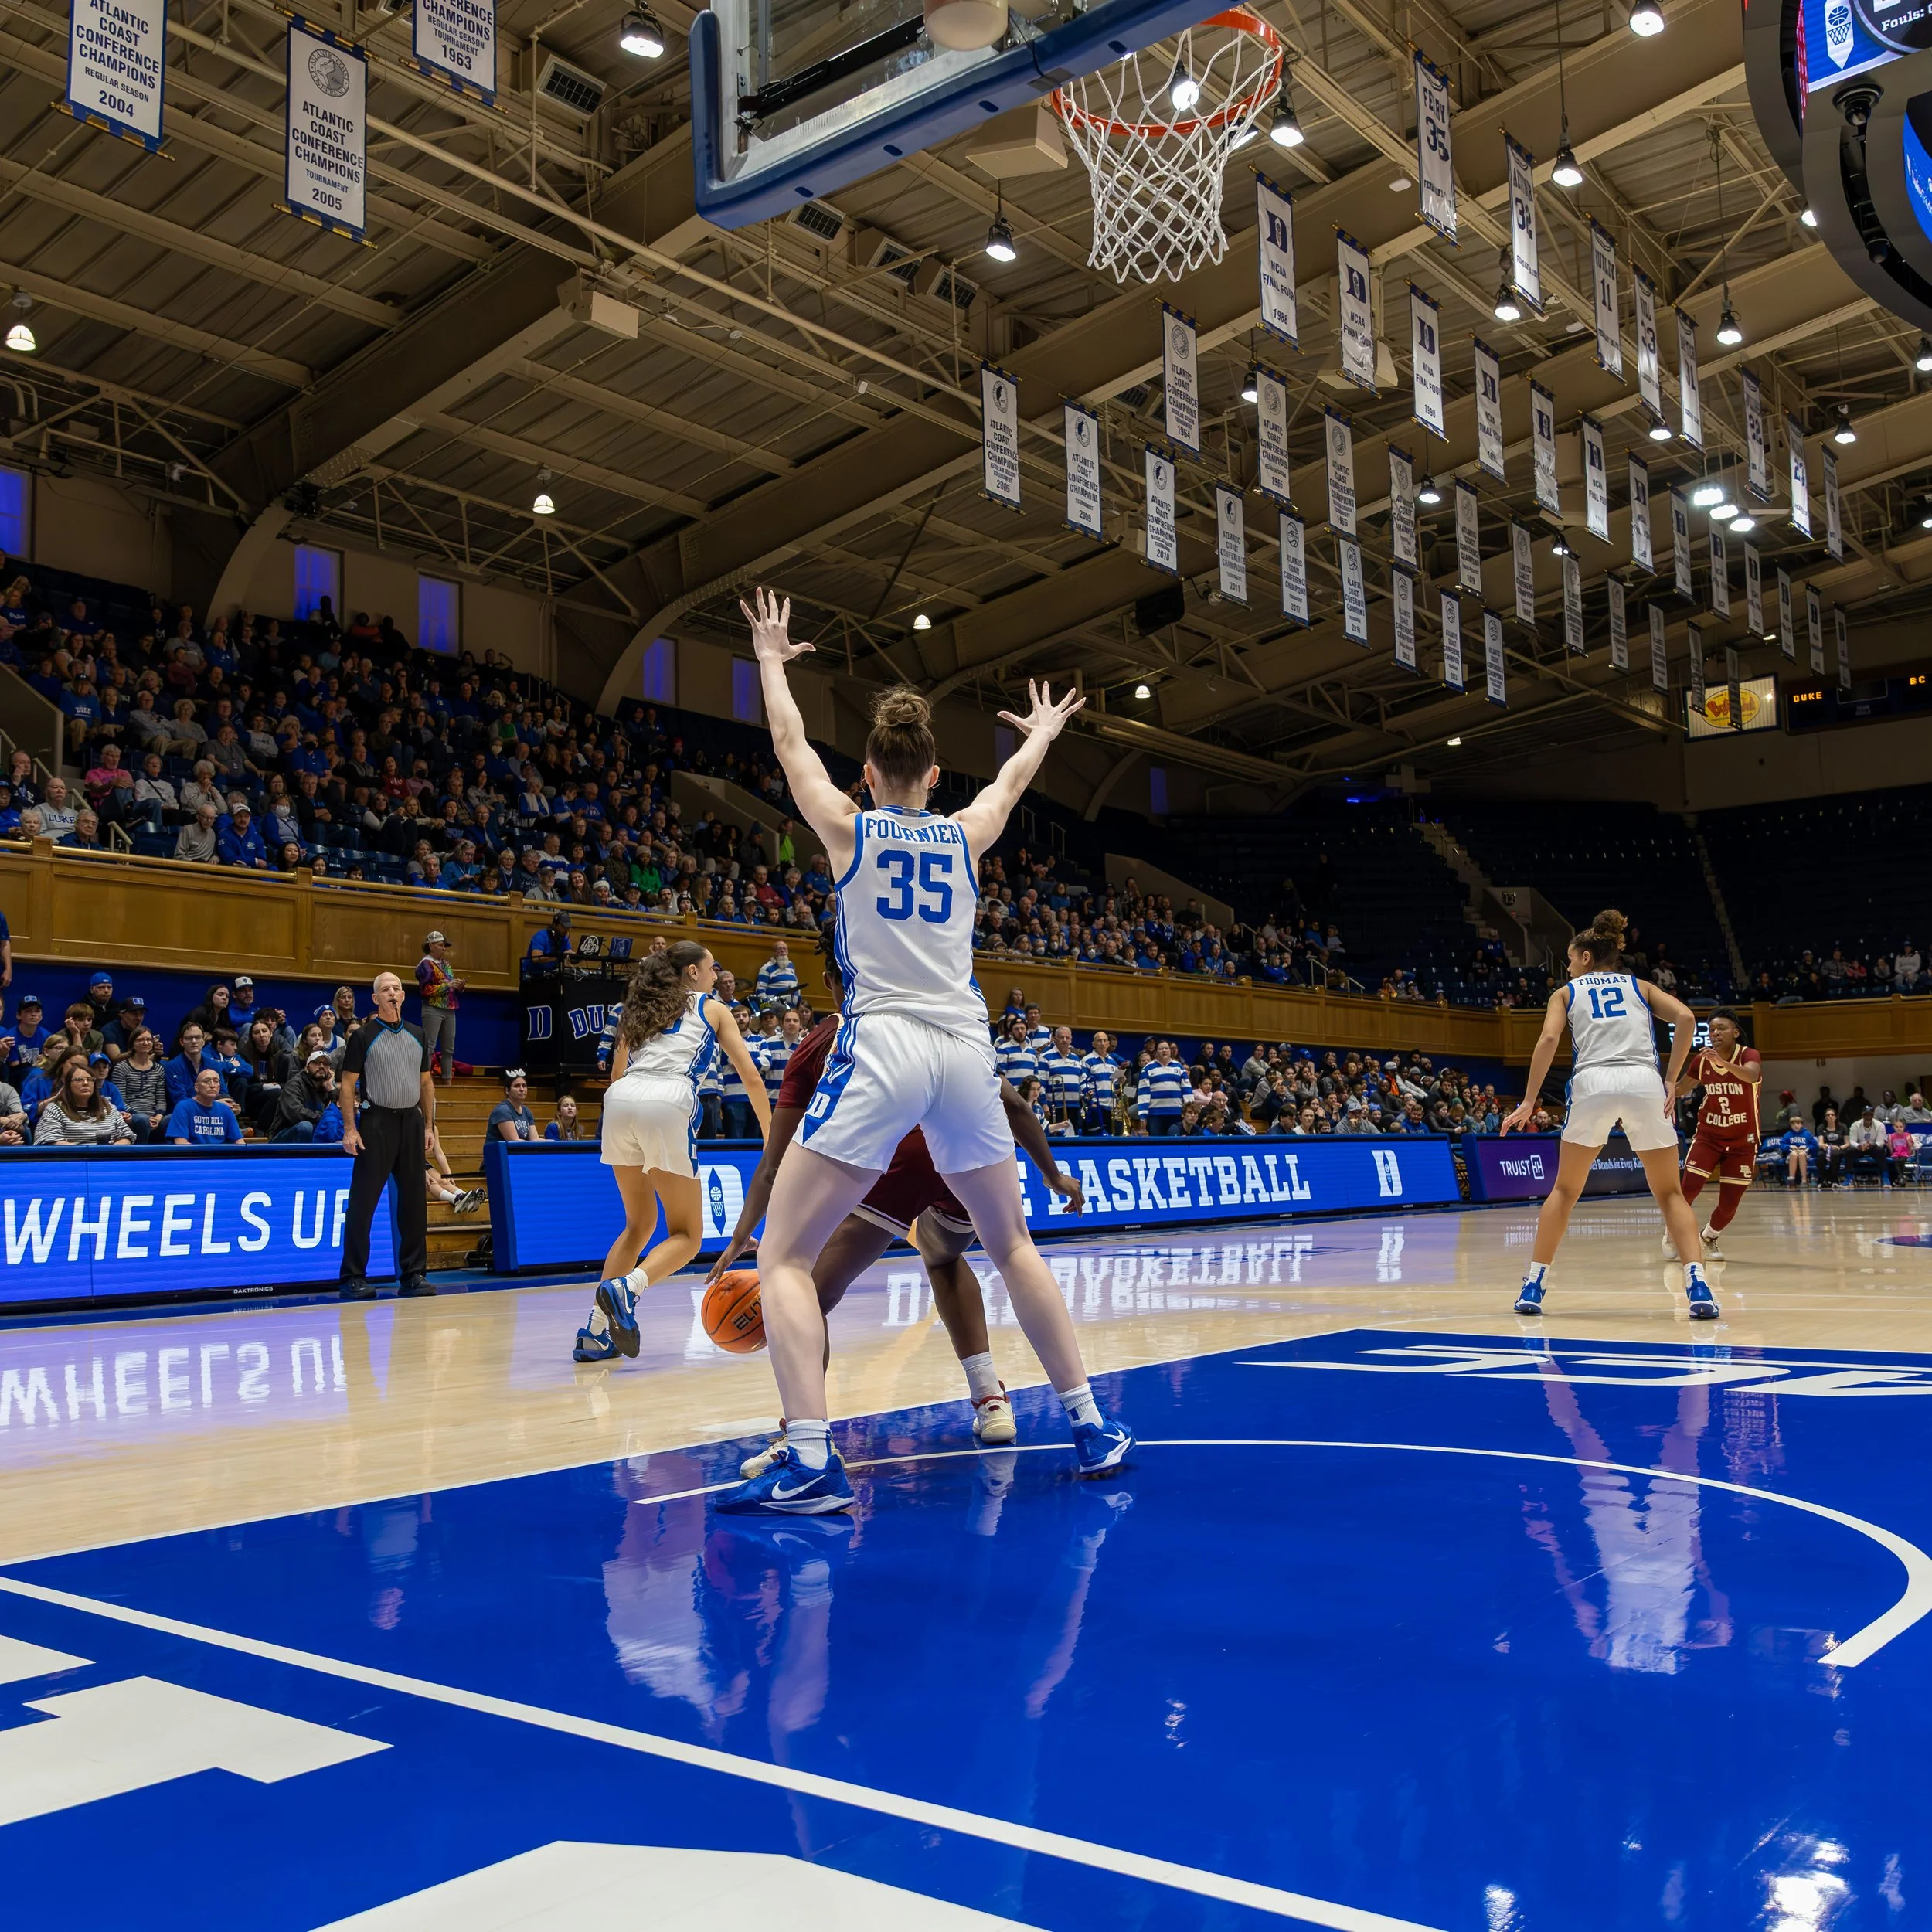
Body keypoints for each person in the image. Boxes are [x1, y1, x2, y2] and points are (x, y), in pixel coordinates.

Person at [713, 589, 1130, 1515]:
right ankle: (1090, 1419)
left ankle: (813, 1456)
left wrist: (774, 661)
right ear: (934, 774)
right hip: (965, 1048)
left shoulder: (849, 828)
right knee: (1011, 1241)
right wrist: (1044, 733)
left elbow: (787, 748)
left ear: (866, 773)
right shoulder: (964, 836)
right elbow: (1012, 785)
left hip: (885, 1041)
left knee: (782, 1259)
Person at [699, 954, 1088, 1462]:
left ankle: (806, 1439)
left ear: (831, 984)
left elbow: (774, 1166)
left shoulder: (828, 1038)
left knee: (805, 1293)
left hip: (896, 1162)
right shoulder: (943, 1018)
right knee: (948, 1256)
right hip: (968, 1154)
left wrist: (741, 1237)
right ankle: (994, 1399)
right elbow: (1012, 1104)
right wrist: (1052, 1172)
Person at [1502, 909, 1714, 1320]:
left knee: (1564, 1192)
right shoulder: (1641, 986)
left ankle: (1533, 1284)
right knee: (1670, 1193)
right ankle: (1698, 1283)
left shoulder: (1567, 992)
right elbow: (1688, 1017)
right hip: (1642, 1081)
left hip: (1593, 1081)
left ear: (1584, 957)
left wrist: (1530, 1100)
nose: (1566, 966)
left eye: (1568, 958)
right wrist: (1672, 1079)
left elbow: (1548, 1039)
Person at [573, 942, 768, 1361]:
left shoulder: (638, 1008)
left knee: (637, 1226)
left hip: (620, 1101)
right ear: (693, 974)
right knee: (687, 1237)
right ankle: (629, 1288)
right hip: (667, 1100)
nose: (717, 974)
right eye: (712, 967)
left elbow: (617, 1072)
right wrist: (771, 1138)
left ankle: (594, 1331)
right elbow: (751, 1077)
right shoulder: (713, 1008)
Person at [336, 971, 437, 1301]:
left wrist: (428, 1127)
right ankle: (353, 1277)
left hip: (411, 1122)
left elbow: (425, 1084)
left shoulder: (418, 1034)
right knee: (363, 1202)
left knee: (413, 1204)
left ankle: (413, 1274)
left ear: (404, 996)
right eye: (385, 990)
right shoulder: (363, 1036)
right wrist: (350, 1129)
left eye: (397, 988)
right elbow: (348, 1085)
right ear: (376, 999)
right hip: (376, 1122)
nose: (392, 993)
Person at [1667, 1009, 1761, 1260]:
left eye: (1721, 1028)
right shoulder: (1702, 1061)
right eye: (1711, 1030)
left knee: (1729, 1206)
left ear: (1736, 1033)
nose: (1715, 1033)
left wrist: (1724, 1064)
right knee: (1688, 1189)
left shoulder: (1748, 1055)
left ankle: (1708, 1237)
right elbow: (1680, 1089)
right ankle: (1672, 1230)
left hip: (1743, 1140)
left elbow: (1752, 1076)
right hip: (1709, 1134)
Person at [34, 1056, 134, 1145]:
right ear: (68, 1085)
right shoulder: (55, 1108)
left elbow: (127, 1136)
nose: (85, 1083)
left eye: (90, 1080)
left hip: (106, 1160)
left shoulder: (108, 1107)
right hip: (72, 1160)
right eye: (79, 1080)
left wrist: (109, 1151)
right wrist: (83, 1152)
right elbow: (47, 1139)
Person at [416, 929, 463, 1083]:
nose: (444, 948)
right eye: (441, 945)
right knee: (430, 1046)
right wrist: (448, 986)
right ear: (431, 946)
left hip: (449, 1008)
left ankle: (447, 1079)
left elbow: (451, 983)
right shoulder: (425, 965)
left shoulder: (445, 964)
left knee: (449, 1048)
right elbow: (426, 990)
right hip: (433, 1008)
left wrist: (459, 986)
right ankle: (425, 1081)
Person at [167, 1066, 244, 1145]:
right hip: (194, 1155)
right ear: (197, 1087)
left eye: (216, 1081)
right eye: (207, 1081)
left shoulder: (225, 1110)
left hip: (220, 1155)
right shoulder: (184, 1107)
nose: (212, 1085)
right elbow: (181, 1143)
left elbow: (239, 1142)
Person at [488, 1069, 542, 1141]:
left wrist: (554, 1143)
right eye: (517, 1086)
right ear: (507, 1091)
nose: (522, 1089)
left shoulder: (526, 1111)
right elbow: (514, 1141)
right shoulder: (503, 1110)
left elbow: (535, 1139)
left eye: (524, 1085)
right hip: (501, 1152)